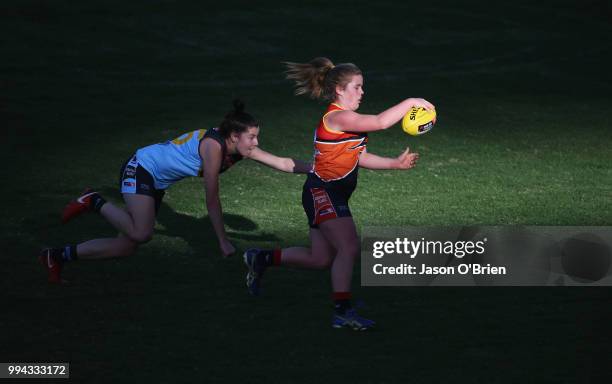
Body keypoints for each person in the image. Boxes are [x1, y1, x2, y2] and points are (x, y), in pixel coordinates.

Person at [243, 57, 435, 330]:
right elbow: (381, 122)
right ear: (339, 91)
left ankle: (260, 258)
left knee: (320, 259)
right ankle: (342, 312)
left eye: (362, 86)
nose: (362, 92)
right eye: (357, 87)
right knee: (349, 246)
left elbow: (361, 156)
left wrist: (394, 164)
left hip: (329, 193)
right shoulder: (337, 117)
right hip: (323, 192)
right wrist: (411, 101)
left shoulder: (350, 121)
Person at [40, 100, 311, 283]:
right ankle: (93, 200)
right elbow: (212, 199)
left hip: (155, 182)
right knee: (141, 233)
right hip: (141, 168)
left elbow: (283, 163)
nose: (256, 142)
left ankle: (57, 255)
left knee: (125, 247)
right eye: (252, 137)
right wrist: (222, 240)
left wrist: (318, 169)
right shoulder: (213, 148)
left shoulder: (240, 147)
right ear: (233, 136)